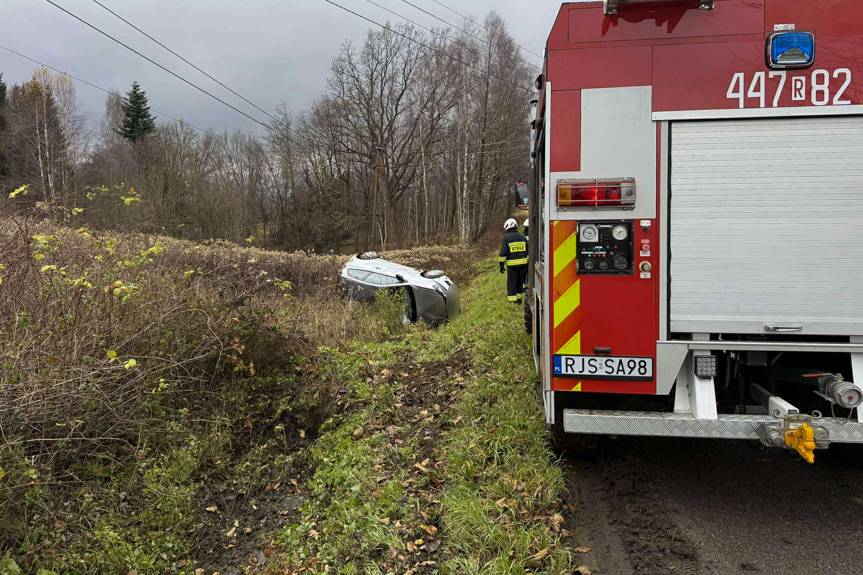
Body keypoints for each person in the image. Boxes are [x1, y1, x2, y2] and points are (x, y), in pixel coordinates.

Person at [499, 218, 529, 304]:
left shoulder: (506, 238)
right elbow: (527, 250)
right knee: (520, 283)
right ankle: (519, 300)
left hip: (512, 267)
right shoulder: (522, 237)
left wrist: (501, 265)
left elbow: (503, 253)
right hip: (523, 265)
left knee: (512, 283)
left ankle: (513, 302)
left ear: (508, 227)